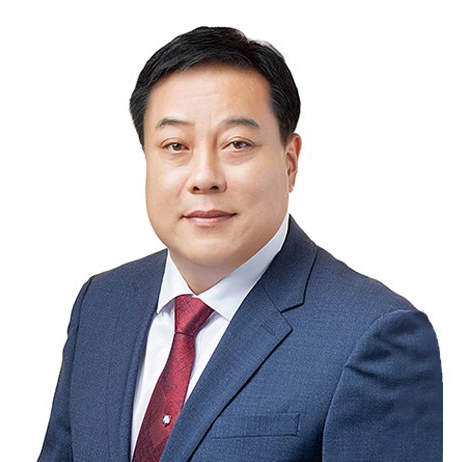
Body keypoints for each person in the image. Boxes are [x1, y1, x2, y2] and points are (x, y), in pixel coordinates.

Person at [38, 26, 442, 462]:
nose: (204, 177)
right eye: (175, 145)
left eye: (237, 144)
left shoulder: (376, 335)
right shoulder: (102, 304)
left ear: (290, 162)